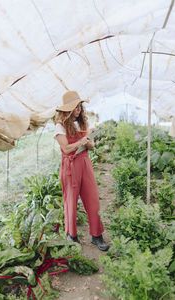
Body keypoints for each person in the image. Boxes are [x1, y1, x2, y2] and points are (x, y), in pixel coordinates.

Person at [54, 90, 109, 251]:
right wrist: (80, 142)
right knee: (70, 200)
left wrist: (90, 143)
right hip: (70, 166)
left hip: (85, 162)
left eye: (79, 107)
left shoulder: (82, 123)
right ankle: (72, 235)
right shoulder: (60, 126)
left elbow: (89, 146)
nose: (78, 110)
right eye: (75, 108)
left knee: (93, 199)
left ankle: (97, 235)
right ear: (67, 109)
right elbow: (65, 147)